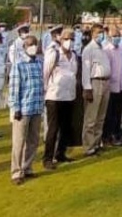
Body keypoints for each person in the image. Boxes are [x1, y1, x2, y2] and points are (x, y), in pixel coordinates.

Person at [9, 35, 44, 186]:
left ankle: (27, 167)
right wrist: (15, 108)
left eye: (35, 44)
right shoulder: (19, 65)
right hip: (23, 109)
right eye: (30, 45)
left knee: (33, 140)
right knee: (19, 141)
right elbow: (14, 89)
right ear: (24, 47)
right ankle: (16, 171)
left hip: (36, 107)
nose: (33, 47)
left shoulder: (39, 63)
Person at [42, 30, 77, 169]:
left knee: (66, 127)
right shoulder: (54, 53)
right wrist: (47, 89)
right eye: (67, 38)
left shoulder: (74, 56)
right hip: (54, 96)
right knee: (53, 128)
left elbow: (74, 73)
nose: (70, 41)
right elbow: (45, 73)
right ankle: (47, 158)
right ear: (61, 40)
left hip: (69, 95)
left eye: (72, 38)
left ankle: (60, 153)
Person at [81, 25, 111, 155]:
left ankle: (97, 143)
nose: (101, 35)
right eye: (99, 33)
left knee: (101, 116)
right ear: (93, 33)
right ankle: (88, 146)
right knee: (91, 117)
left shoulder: (102, 49)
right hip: (95, 83)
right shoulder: (89, 49)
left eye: (102, 33)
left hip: (105, 82)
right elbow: (86, 70)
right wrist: (87, 88)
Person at [103, 28, 122, 143]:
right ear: (109, 37)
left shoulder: (121, 50)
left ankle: (115, 133)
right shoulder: (107, 50)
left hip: (119, 87)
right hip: (110, 87)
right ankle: (107, 135)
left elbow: (121, 69)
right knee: (109, 113)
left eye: (118, 36)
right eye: (114, 36)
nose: (116, 38)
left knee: (117, 113)